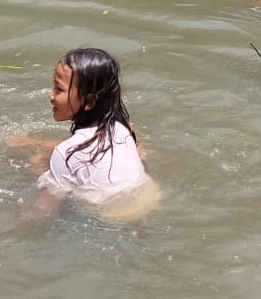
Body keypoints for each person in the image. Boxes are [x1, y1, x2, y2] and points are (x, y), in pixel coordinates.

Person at [11, 48, 156, 218]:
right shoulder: (122, 127)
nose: (50, 95)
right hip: (149, 198)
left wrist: (38, 172)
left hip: (109, 217)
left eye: (59, 89)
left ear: (89, 102)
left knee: (39, 164)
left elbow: (45, 208)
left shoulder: (64, 153)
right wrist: (34, 143)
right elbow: (139, 156)